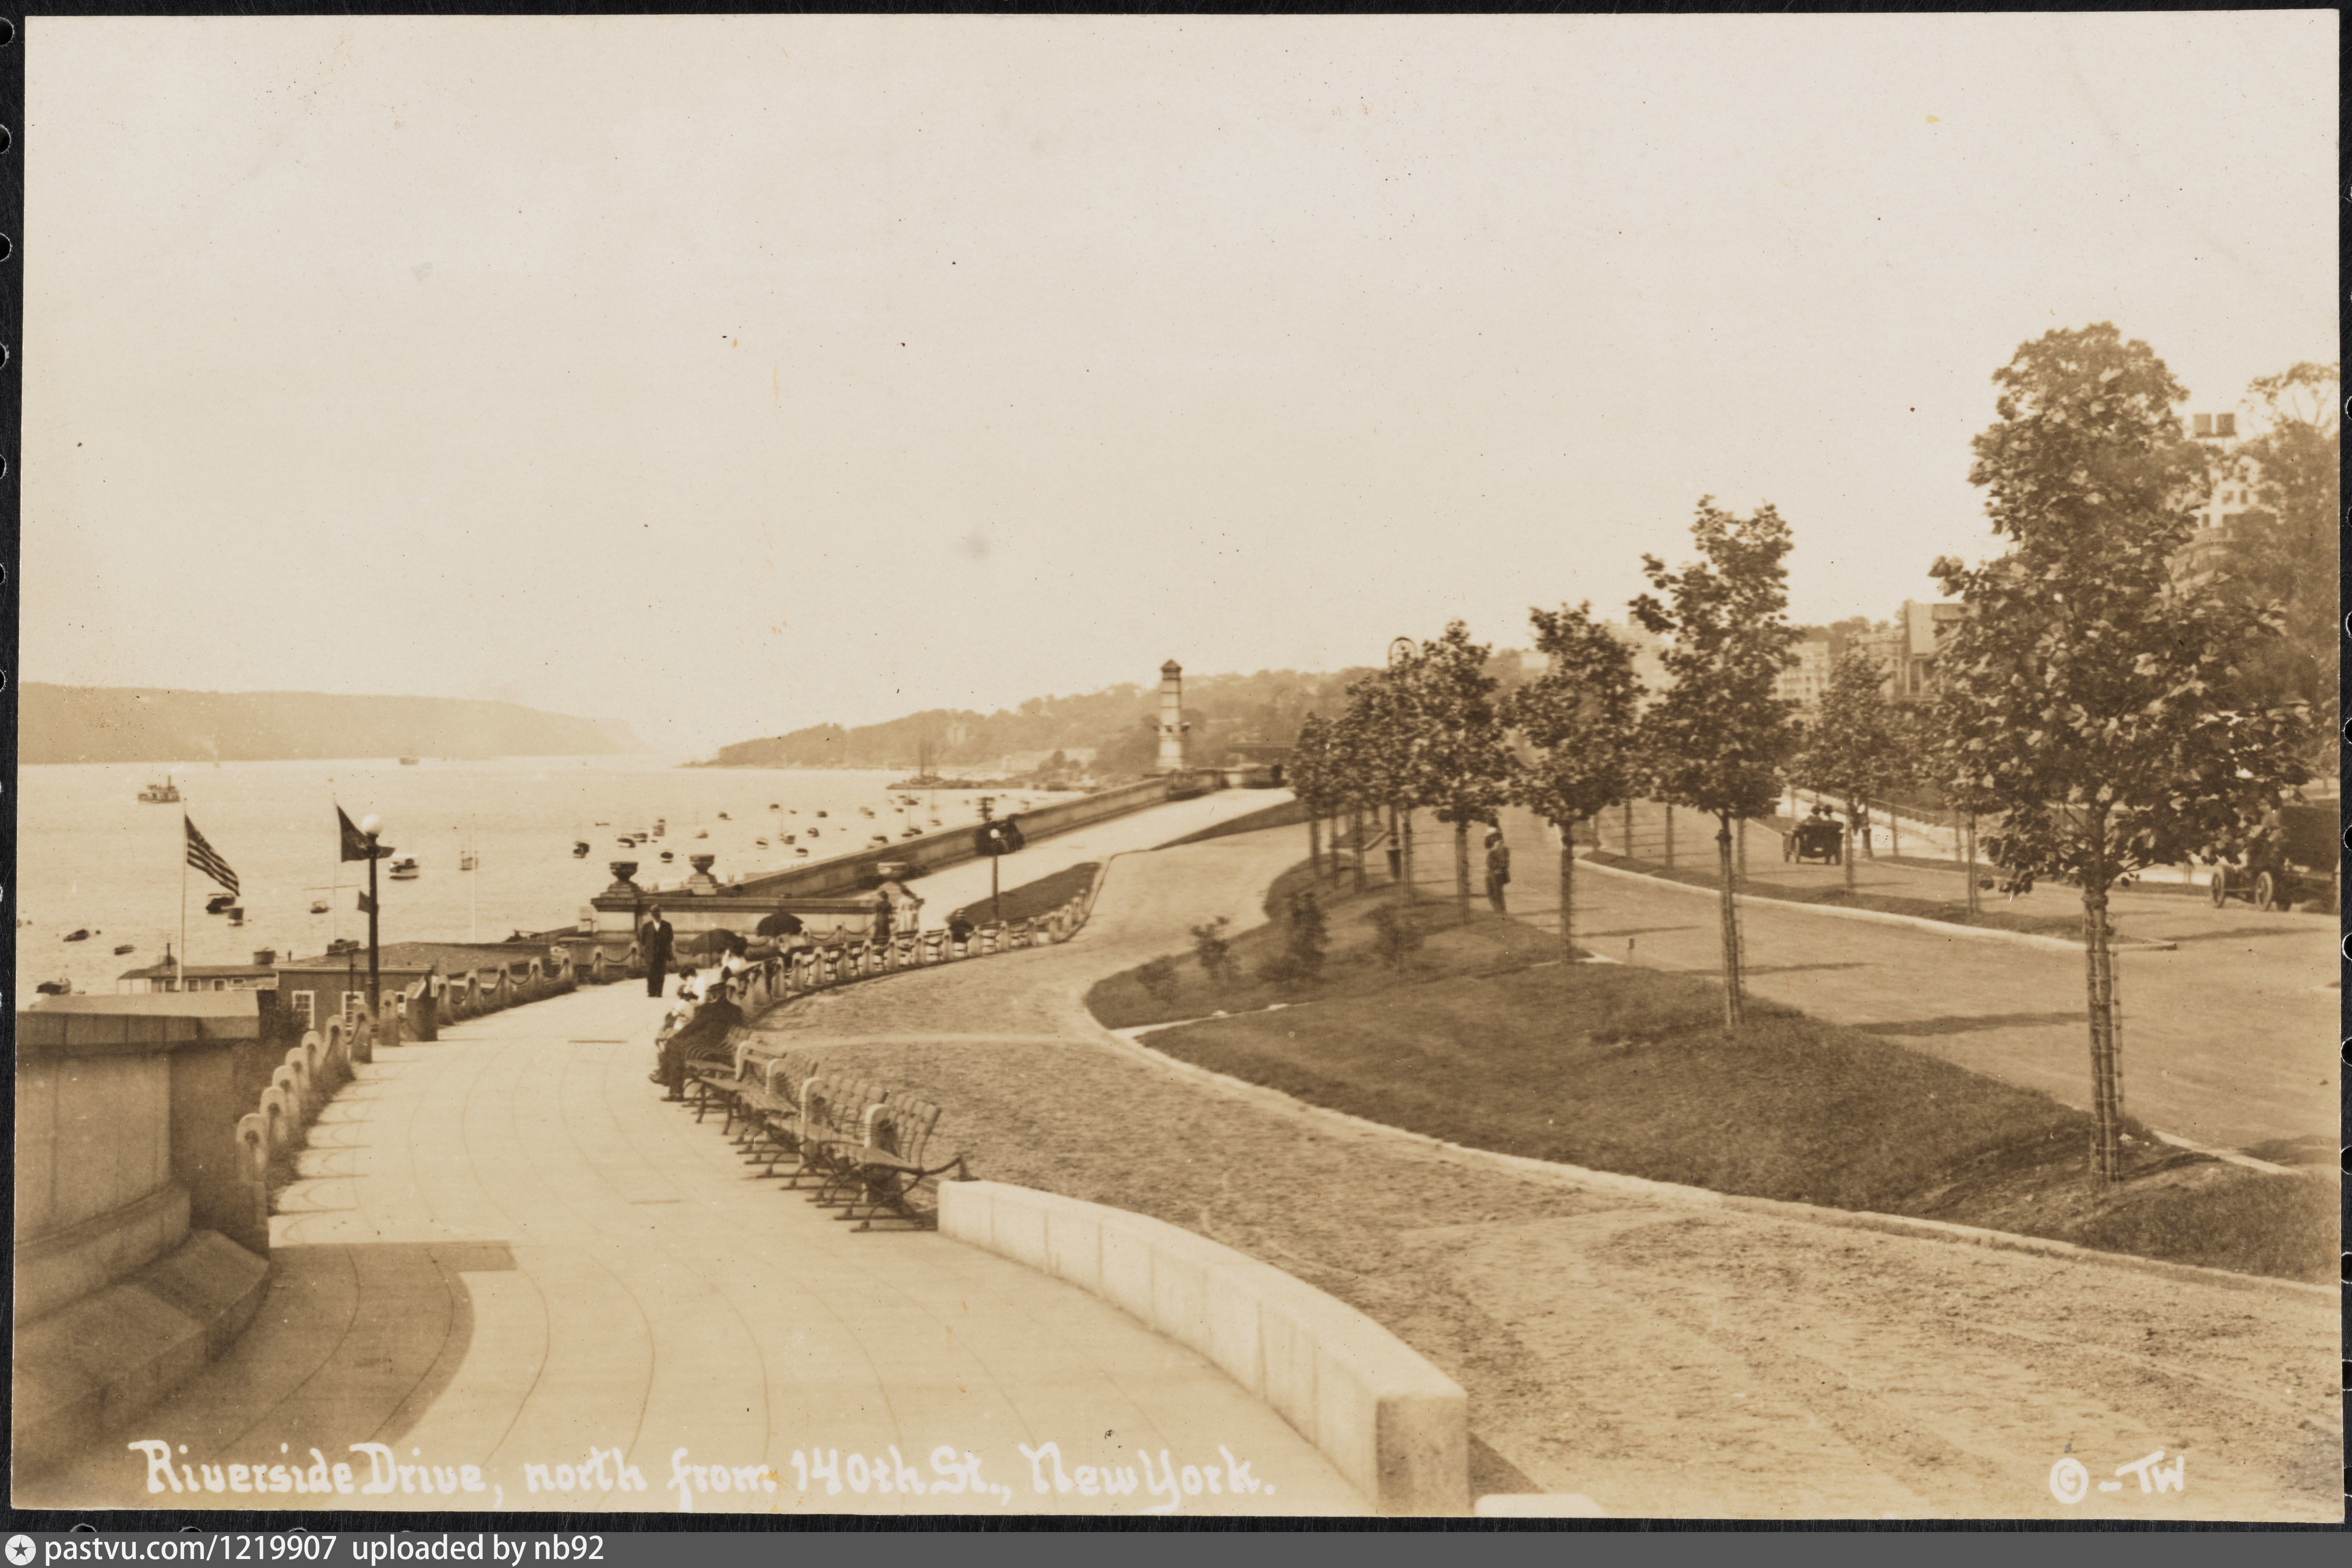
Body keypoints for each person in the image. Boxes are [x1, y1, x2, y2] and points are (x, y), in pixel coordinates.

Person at [652, 974, 745, 1097]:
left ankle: (674, 1090)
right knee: (675, 1044)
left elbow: (693, 1027)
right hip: (722, 1046)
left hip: (706, 1047)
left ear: (713, 994)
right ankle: (664, 1076)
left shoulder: (709, 1007)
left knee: (674, 1044)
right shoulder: (737, 1010)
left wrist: (678, 1036)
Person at [640, 906, 676, 998]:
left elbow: (670, 939)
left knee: (661, 973)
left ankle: (659, 992)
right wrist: (644, 953)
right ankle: (652, 992)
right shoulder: (647, 926)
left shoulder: (667, 925)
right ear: (652, 915)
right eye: (655, 913)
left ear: (660, 914)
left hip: (662, 954)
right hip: (651, 954)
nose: (657, 915)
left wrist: (670, 954)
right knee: (651, 973)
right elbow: (643, 940)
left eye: (658, 913)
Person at [1484, 829, 1512, 914]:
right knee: (1493, 893)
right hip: (1493, 873)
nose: (1488, 839)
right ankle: (1499, 911)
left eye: (1490, 837)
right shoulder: (1494, 847)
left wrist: (1497, 871)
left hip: (1496, 875)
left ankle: (1501, 912)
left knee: (1496, 894)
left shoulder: (1501, 848)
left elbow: (1504, 863)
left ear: (1496, 837)